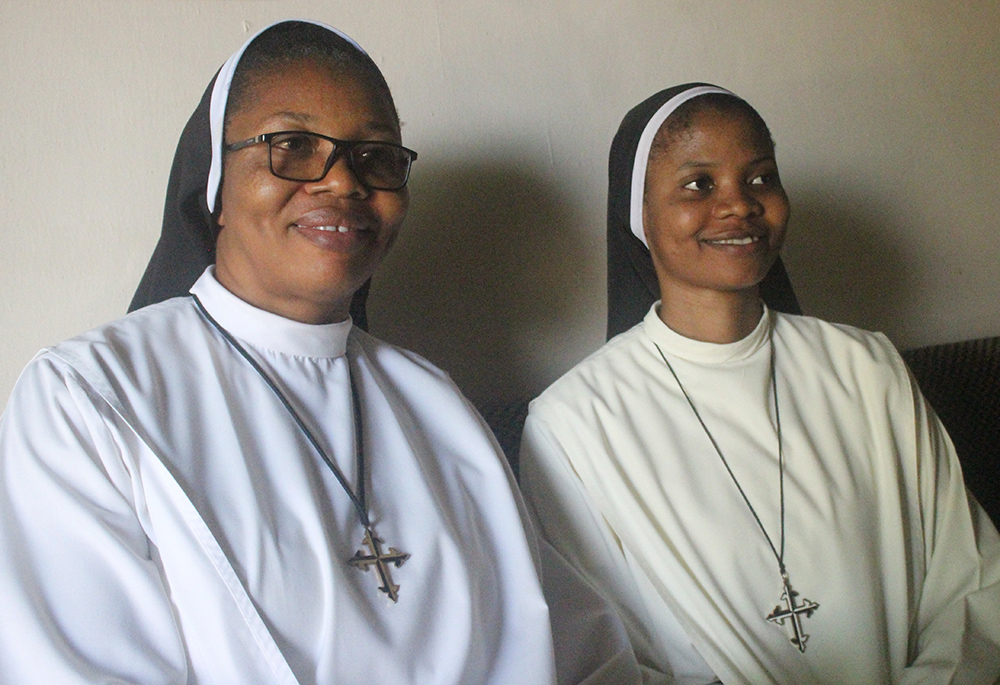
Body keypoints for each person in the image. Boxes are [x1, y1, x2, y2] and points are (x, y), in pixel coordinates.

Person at [0, 20, 640, 683]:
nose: (341, 183)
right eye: (294, 145)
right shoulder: (90, 397)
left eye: (377, 157)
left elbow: (581, 650)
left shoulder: (432, 399)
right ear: (217, 183)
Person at [519, 83, 1000, 683]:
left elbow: (975, 589)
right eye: (699, 184)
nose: (740, 205)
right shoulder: (573, 425)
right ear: (637, 215)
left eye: (760, 178)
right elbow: (600, 658)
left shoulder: (867, 368)